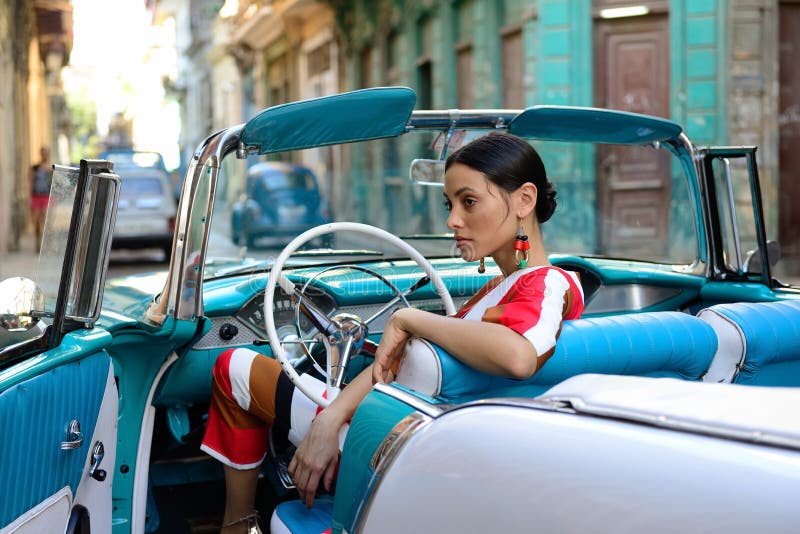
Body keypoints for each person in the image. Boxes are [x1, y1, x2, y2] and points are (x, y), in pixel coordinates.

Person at [200, 132, 585, 533]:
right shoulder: (507, 288)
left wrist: (409, 319)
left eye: (469, 202)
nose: (452, 220)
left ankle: (236, 525)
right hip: (413, 435)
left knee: (232, 367)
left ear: (525, 199)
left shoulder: (546, 284)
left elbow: (520, 356)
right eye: (450, 204)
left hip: (397, 445)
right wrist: (330, 419)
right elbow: (399, 360)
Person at [29, 147, 51, 252]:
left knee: (46, 220)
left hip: (46, 196)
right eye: (43, 153)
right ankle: (37, 243)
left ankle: (45, 244)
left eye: (46, 153)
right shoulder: (35, 167)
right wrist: (29, 197)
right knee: (37, 221)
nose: (44, 155)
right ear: (40, 154)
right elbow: (31, 182)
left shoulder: (51, 168)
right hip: (36, 196)